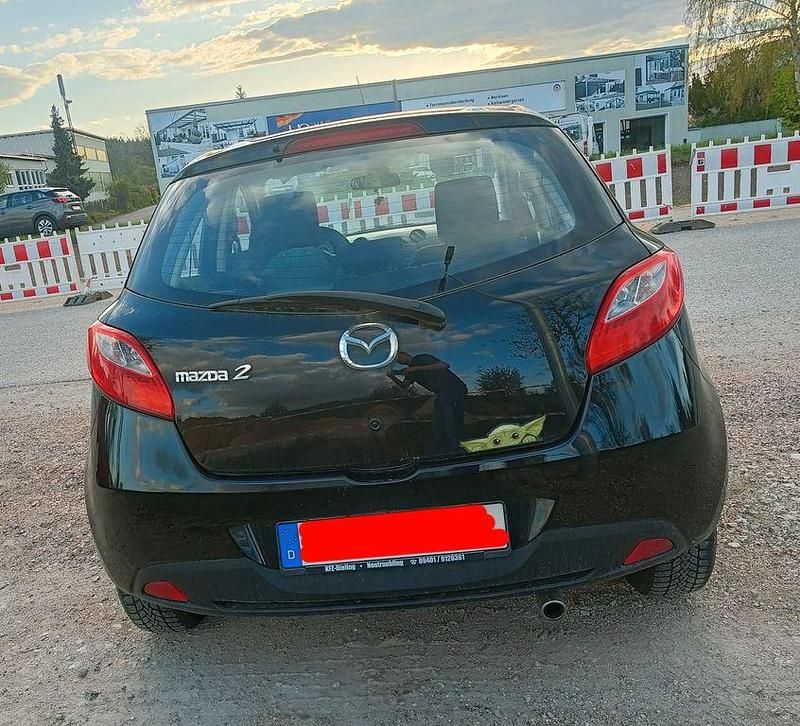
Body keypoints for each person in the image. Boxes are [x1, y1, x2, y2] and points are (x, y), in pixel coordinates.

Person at [390, 351, 468, 452]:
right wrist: (392, 377)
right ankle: (442, 447)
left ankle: (457, 446)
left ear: (406, 354)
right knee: (438, 422)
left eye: (399, 357)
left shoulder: (421, 358)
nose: (399, 360)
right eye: (397, 360)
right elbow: (404, 386)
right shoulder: (410, 371)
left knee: (449, 420)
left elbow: (445, 365)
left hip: (454, 388)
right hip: (441, 393)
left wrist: (416, 368)